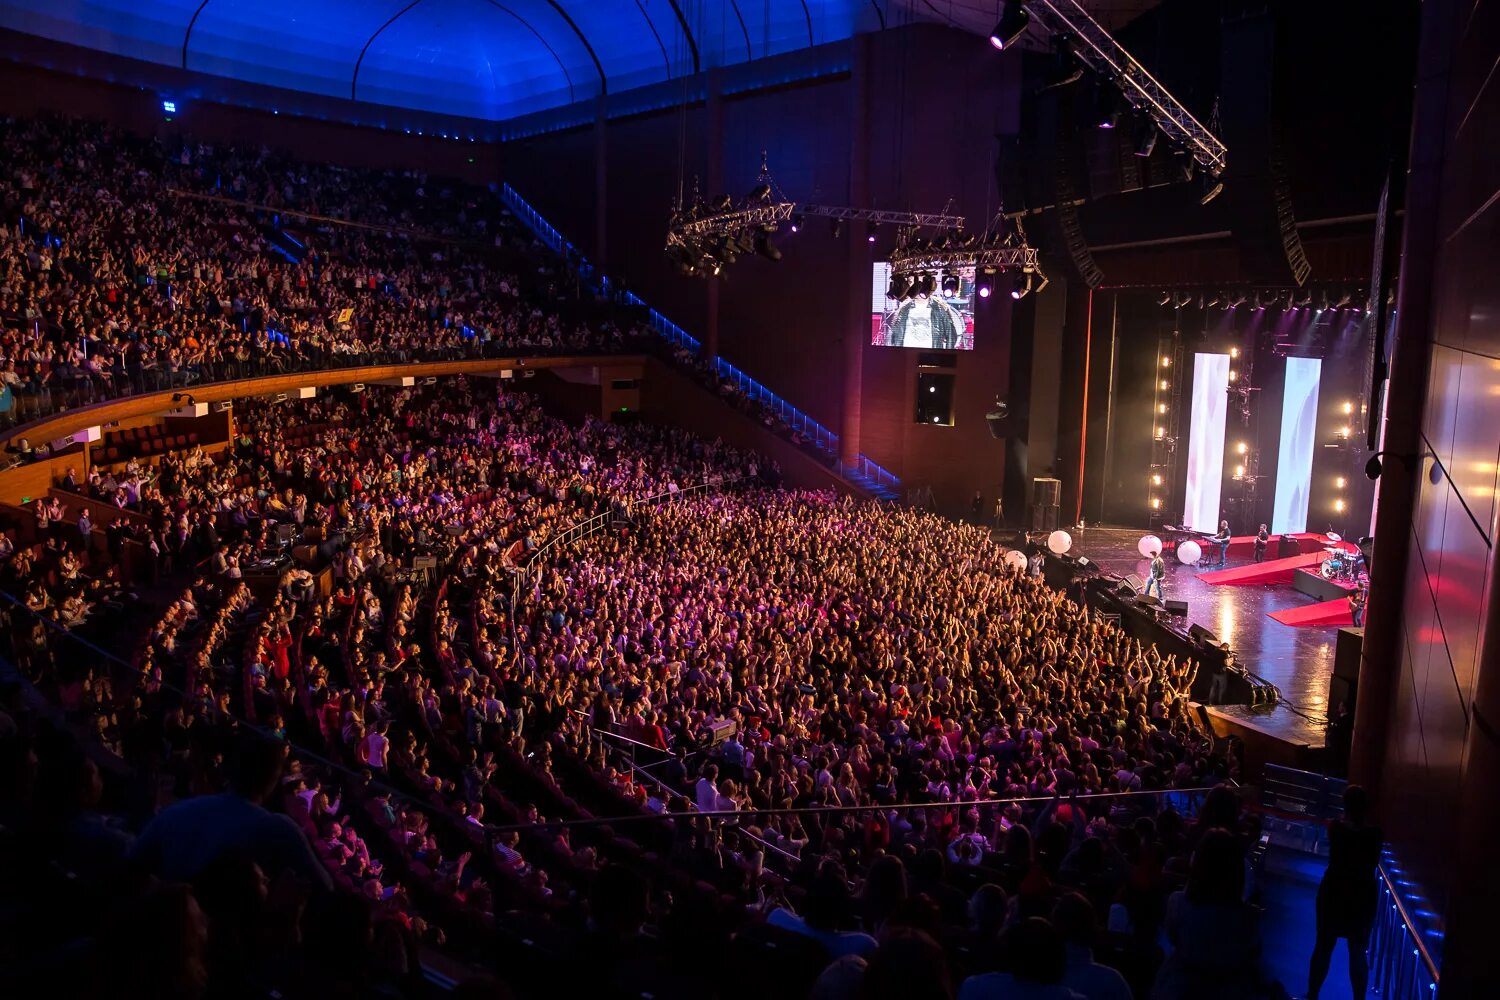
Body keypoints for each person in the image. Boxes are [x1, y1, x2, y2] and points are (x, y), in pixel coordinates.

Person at [129, 737, 333, 891]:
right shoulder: (279, 829)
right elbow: (326, 888)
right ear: (273, 780)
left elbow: (132, 865)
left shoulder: (176, 812)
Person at [1307, 786, 1381, 1000]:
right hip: (1363, 897)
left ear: (1345, 805)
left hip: (1333, 891)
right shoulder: (1375, 835)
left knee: (1323, 946)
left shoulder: (1336, 828)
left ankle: (1312, 994)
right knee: (1357, 951)